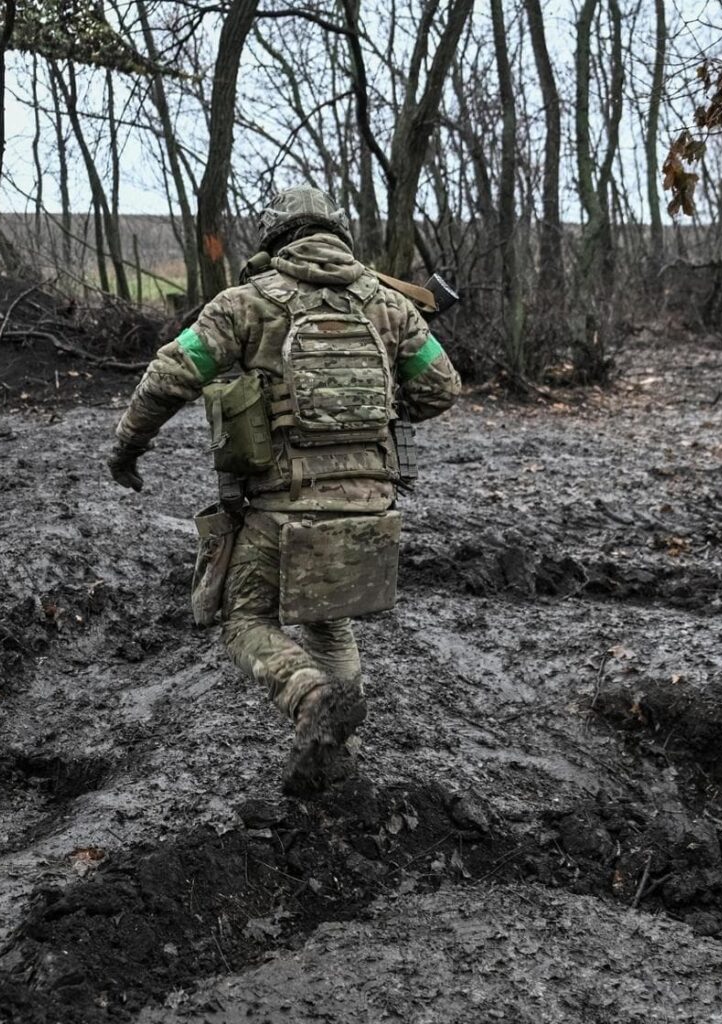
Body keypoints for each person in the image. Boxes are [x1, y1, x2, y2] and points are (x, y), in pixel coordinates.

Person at [105, 185, 461, 794]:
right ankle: (335, 752)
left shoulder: (243, 305)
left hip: (282, 510)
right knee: (330, 622)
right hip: (373, 505)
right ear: (337, 234)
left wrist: (126, 450)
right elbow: (442, 389)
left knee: (244, 622)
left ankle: (308, 694)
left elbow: (169, 375)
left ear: (273, 238)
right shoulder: (391, 307)